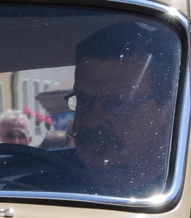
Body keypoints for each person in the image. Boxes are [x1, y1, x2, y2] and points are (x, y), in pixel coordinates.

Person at [66, 21, 179, 197]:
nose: (93, 121)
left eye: (116, 104)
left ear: (166, 108)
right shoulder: (39, 188)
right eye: (84, 101)